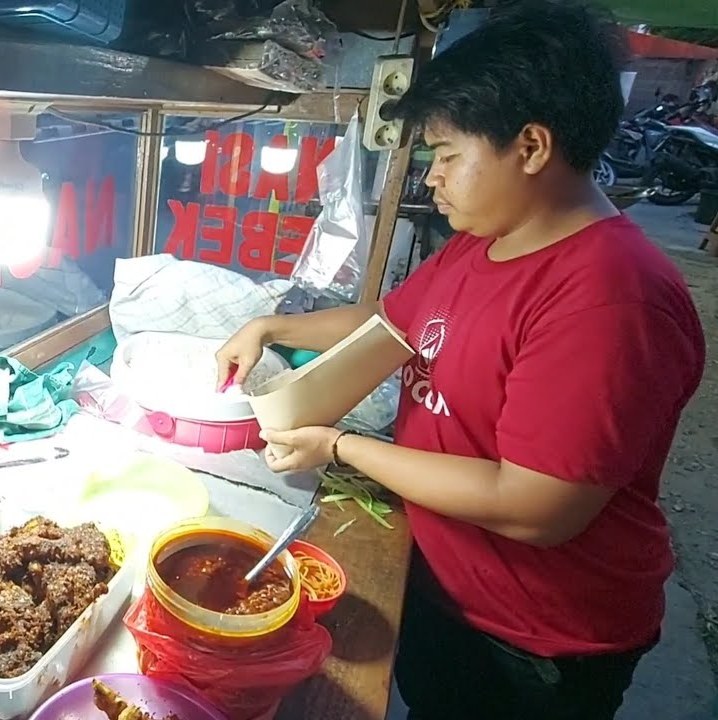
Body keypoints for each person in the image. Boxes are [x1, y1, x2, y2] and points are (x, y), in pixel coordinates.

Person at [215, 2, 706, 719]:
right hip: (447, 582)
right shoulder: (483, 243)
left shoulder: (610, 296)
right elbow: (388, 322)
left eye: (446, 156)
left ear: (531, 146)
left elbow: (536, 505)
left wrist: (338, 443)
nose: (432, 179)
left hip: (534, 641)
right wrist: (266, 323)